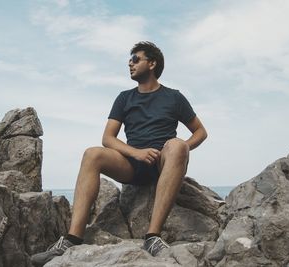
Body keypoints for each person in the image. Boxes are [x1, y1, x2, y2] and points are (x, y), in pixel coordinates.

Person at [31, 41, 207, 266]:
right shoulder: (124, 98)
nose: (129, 63)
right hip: (132, 164)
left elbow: (200, 131)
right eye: (130, 60)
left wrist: (177, 153)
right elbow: (108, 138)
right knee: (92, 154)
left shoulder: (174, 97)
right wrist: (137, 153)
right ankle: (72, 239)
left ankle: (152, 237)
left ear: (152, 63)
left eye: (135, 59)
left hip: (163, 164)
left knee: (178, 144)